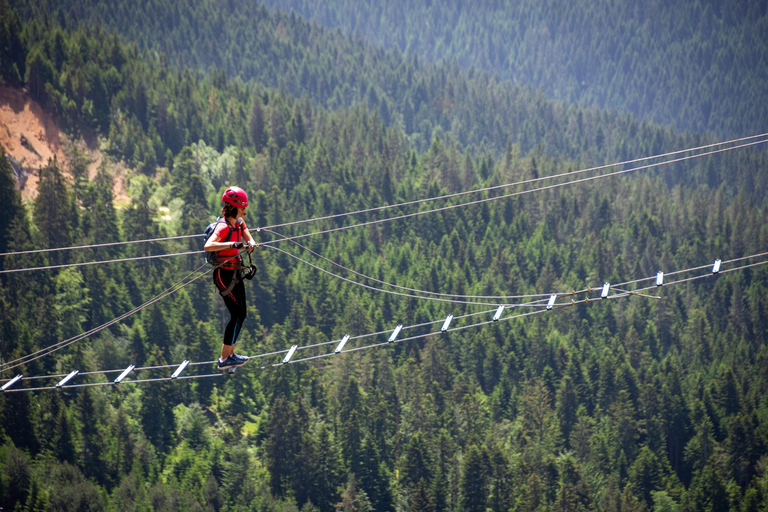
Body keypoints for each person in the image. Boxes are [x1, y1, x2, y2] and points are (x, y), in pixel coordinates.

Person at [204, 186, 257, 369]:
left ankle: (229, 355)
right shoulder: (223, 226)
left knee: (241, 313)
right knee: (237, 314)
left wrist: (250, 243)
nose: (244, 211)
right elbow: (209, 246)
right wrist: (232, 243)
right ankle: (225, 358)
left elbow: (247, 236)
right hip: (223, 274)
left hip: (235, 272)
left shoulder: (239, 223)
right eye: (242, 207)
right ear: (234, 206)